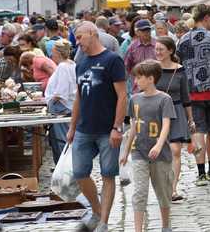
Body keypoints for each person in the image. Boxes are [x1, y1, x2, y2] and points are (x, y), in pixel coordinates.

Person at [67, 21, 127, 232]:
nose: (78, 43)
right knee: (80, 172)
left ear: (93, 33)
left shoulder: (112, 60)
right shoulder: (80, 62)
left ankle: (104, 222)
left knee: (108, 174)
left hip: (107, 129)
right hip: (84, 128)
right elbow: (78, 97)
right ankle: (96, 209)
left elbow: (122, 95)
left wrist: (117, 127)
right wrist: (72, 126)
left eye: (80, 38)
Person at [120, 59, 176, 232]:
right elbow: (134, 127)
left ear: (151, 78)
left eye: (139, 78)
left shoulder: (164, 99)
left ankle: (166, 226)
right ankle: (138, 229)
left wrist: (159, 145)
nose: (135, 81)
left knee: (163, 193)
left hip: (161, 155)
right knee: (139, 193)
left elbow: (166, 124)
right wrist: (126, 150)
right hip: (139, 153)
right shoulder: (135, 99)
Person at [177, 4, 210, 185]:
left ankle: (200, 173)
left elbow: (179, 63)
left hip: (192, 91)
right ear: (207, 18)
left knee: (197, 131)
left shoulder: (182, 39)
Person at [155, 36, 194, 201]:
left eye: (161, 49)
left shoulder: (180, 70)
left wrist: (190, 118)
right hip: (157, 112)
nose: (157, 52)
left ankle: (172, 189)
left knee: (175, 150)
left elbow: (186, 96)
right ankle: (161, 184)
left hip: (177, 111)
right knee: (160, 152)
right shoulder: (153, 69)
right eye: (156, 49)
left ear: (170, 51)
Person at [45, 39, 77, 164]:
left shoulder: (63, 67)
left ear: (58, 53)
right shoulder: (72, 64)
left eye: (53, 52)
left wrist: (51, 100)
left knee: (61, 141)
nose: (51, 55)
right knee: (65, 139)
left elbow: (61, 92)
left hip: (61, 107)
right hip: (68, 105)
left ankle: (64, 166)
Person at [125, 19, 156, 94]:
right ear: (137, 32)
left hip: (155, 85)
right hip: (138, 87)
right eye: (143, 31)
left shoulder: (157, 44)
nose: (146, 33)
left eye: (148, 30)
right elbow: (126, 66)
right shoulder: (132, 46)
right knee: (137, 106)